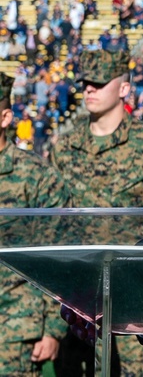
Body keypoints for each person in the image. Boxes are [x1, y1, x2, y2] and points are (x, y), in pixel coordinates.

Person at [49, 50, 143, 377]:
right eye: (85, 83)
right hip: (78, 306)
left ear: (124, 89)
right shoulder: (64, 147)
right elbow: (54, 228)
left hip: (134, 306)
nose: (89, 90)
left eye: (99, 83)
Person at [0, 72, 69, 376]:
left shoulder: (36, 175)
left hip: (15, 333)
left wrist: (53, 329)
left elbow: (61, 253)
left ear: (5, 118)